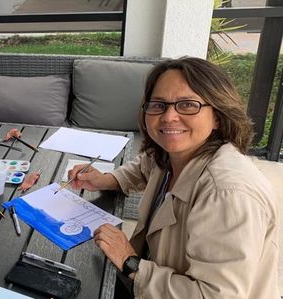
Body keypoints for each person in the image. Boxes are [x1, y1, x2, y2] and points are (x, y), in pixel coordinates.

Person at [68, 57, 279, 298]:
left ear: (218, 116)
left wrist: (130, 262)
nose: (169, 117)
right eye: (158, 104)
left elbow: (212, 295)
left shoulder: (228, 194)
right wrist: (108, 179)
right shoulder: (175, 153)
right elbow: (144, 167)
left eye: (188, 105)